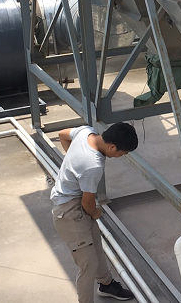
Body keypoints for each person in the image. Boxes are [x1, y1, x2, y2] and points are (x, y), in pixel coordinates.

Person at [51, 122, 138, 302]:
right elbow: (87, 203)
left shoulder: (86, 132)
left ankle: (106, 284)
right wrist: (96, 213)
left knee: (96, 248)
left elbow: (62, 134)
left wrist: (73, 162)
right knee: (88, 264)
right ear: (112, 147)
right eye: (122, 153)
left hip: (75, 203)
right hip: (69, 212)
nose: (120, 157)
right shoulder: (93, 166)